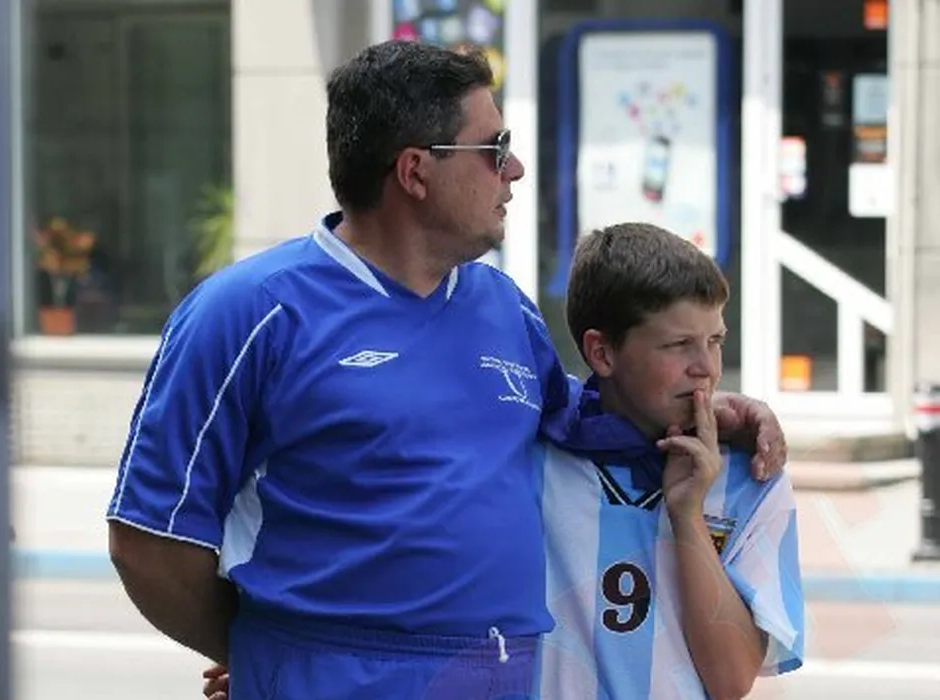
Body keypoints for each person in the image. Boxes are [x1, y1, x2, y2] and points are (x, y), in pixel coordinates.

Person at [108, 40, 786, 700]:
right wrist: (267, 656)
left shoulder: (505, 309)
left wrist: (711, 410)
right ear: (415, 171)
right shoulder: (247, 313)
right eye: (494, 148)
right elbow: (149, 542)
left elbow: (585, 422)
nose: (515, 169)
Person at [537, 222, 804, 699]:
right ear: (602, 352)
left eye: (715, 340)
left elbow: (731, 681)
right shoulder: (536, 455)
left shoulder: (753, 477)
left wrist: (687, 515)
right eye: (679, 345)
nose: (707, 367)